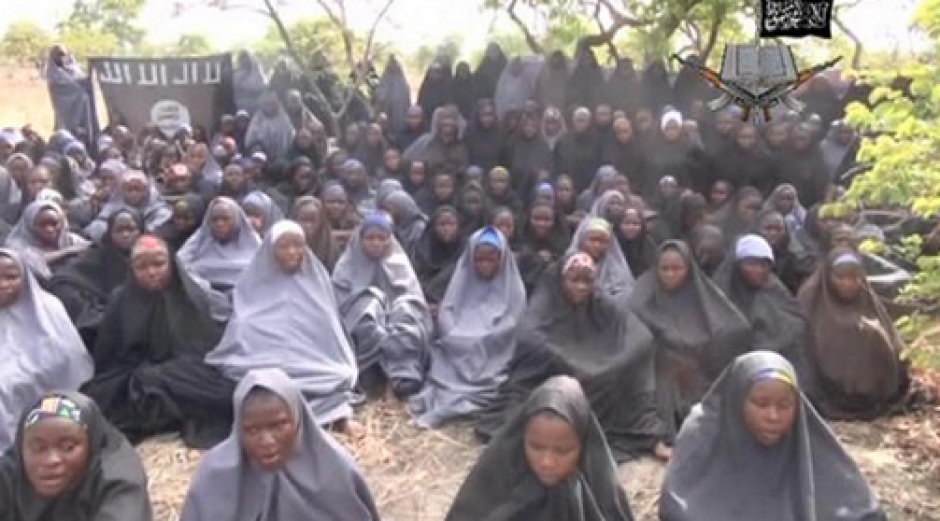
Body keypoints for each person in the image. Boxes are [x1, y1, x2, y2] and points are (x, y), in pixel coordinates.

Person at [479, 252, 665, 461]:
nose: (581, 287)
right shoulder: (547, 299)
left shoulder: (598, 301)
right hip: (551, 372)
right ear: (561, 279)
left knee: (626, 384)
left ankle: (648, 437)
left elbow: (638, 333)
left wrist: (615, 363)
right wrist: (567, 362)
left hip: (596, 370)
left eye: (587, 281)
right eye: (574, 280)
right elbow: (529, 337)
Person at [660, 351, 886, 521]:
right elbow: (675, 505)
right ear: (738, 400)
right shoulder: (703, 430)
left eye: (785, 405)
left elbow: (860, 507)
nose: (773, 416)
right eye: (761, 404)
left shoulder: (806, 435)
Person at [206, 221, 360, 434]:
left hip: (314, 366)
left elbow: (330, 335)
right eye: (284, 246)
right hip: (263, 362)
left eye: (298, 246)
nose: (292, 252)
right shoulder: (251, 284)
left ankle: (336, 417)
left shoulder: (318, 282)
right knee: (250, 383)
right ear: (270, 251)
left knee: (338, 376)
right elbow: (242, 328)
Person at [82, 235, 235, 448]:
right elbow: (109, 359)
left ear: (171, 263)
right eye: (142, 266)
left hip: (185, 375)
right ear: (131, 269)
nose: (152, 272)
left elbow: (205, 352)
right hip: (135, 379)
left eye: (159, 263)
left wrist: (163, 375)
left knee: (225, 392)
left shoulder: (190, 297)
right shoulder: (120, 300)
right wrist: (142, 376)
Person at [180, 368, 379, 521]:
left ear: (298, 420)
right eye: (252, 430)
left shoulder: (335, 472)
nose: (266, 441)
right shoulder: (215, 476)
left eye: (278, 426)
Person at [448, 375, 635, 521]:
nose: (546, 462)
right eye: (536, 447)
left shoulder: (600, 493)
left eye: (561, 451)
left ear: (583, 446)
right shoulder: (497, 481)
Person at [629, 240, 751, 439]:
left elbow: (733, 324)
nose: (670, 274)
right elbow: (634, 329)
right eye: (664, 269)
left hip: (698, 371)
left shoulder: (699, 291)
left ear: (689, 268)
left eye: (677, 268)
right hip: (656, 371)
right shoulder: (643, 293)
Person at [410, 227, 526, 427]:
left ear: (503, 259)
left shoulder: (513, 287)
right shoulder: (462, 279)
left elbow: (512, 323)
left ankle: (450, 407)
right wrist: (454, 334)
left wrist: (482, 338)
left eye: (492, 259)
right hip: (456, 346)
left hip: (492, 352)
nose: (485, 265)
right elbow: (447, 310)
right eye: (479, 259)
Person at [0, 392, 153, 521]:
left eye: (68, 447)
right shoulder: (10, 472)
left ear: (91, 444)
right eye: (39, 448)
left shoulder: (118, 479)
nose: (52, 460)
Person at [796, 248, 909, 420]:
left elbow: (893, 339)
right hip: (828, 392)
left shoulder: (867, 299)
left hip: (878, 396)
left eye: (854, 277)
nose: (848, 283)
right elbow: (799, 345)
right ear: (828, 277)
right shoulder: (811, 298)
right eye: (841, 277)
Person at [0, 249, 93, 451]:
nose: (3, 285)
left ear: (25, 278)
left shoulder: (48, 308)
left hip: (58, 399)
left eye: (11, 277)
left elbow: (73, 358)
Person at [333, 211, 431, 399]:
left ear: (390, 240)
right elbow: (339, 303)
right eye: (370, 238)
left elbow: (414, 300)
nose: (376, 243)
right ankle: (369, 375)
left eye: (382, 238)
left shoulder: (400, 264)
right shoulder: (346, 266)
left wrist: (394, 317)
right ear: (360, 240)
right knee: (368, 307)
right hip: (361, 327)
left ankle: (401, 379)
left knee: (406, 310)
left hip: (396, 324)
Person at [49, 208, 143, 346]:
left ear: (141, 231)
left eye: (131, 229)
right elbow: (62, 279)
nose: (125, 235)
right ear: (110, 233)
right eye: (119, 230)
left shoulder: (150, 258)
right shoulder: (95, 256)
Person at [713, 235, 810, 362]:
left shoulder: (777, 292)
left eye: (764, 264)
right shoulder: (719, 297)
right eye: (751, 264)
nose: (759, 270)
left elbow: (797, 329)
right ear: (736, 265)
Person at [177, 197, 262, 294]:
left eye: (226, 219)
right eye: (215, 219)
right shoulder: (200, 241)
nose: (220, 224)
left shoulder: (253, 245)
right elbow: (181, 262)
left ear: (237, 220)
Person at [4, 199, 89, 279]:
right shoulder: (16, 244)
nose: (49, 229)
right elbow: (29, 261)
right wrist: (67, 252)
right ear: (31, 225)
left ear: (62, 222)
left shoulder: (70, 238)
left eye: (54, 224)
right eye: (42, 225)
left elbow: (90, 248)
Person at [45, 45, 94, 137]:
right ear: (53, 57)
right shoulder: (53, 73)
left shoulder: (72, 69)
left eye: (63, 55)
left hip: (83, 111)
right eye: (59, 55)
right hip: (66, 113)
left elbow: (84, 81)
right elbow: (74, 87)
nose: (61, 57)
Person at [290, 196, 339, 272]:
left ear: (321, 222)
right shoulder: (285, 245)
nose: (308, 225)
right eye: (303, 220)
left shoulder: (330, 247)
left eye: (312, 220)